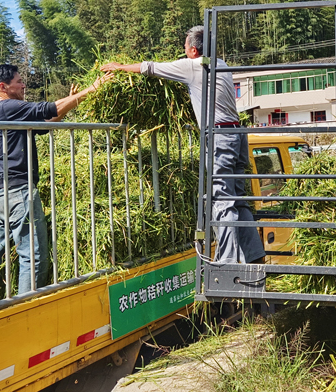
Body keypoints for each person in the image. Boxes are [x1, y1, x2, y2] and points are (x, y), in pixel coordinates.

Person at [102, 26, 266, 265]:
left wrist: (119, 68)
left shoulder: (194, 66)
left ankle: (227, 260)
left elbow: (150, 68)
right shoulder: (221, 63)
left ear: (192, 50)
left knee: (221, 199)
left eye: (184, 49)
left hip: (220, 136)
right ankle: (254, 256)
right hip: (237, 133)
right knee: (238, 198)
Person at [0, 64, 111, 302]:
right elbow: (47, 108)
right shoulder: (9, 106)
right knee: (32, 255)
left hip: (1, 193)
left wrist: (73, 100)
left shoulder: (0, 111)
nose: (23, 85)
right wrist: (91, 90)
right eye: (19, 81)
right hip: (19, 192)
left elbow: (46, 121)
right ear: (3, 87)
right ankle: (23, 309)